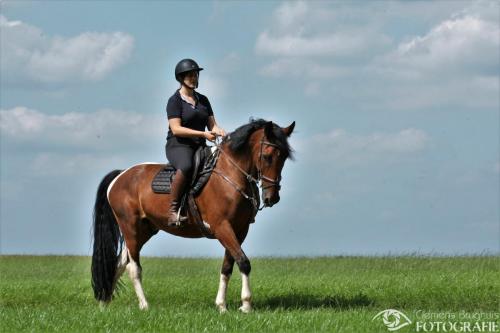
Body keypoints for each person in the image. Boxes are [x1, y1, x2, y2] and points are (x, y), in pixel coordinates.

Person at [165, 58, 226, 226]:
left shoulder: (203, 100)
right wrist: (203, 134)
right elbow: (176, 129)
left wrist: (220, 131)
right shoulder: (174, 101)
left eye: (195, 75)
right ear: (181, 78)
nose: (194, 78)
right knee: (186, 166)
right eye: (189, 75)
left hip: (199, 146)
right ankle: (173, 210)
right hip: (179, 145)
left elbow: (212, 125)